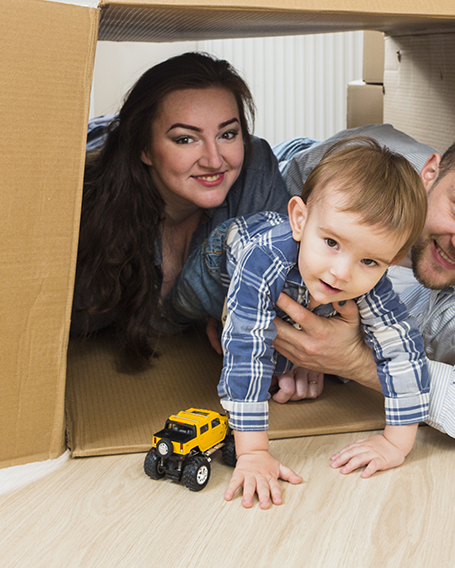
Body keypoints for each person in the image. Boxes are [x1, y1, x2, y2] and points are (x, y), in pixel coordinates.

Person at [268, 119, 455, 466]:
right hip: (293, 151)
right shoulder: (367, 159)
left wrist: (357, 362)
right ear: (429, 172)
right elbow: (261, 202)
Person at [175, 138, 431, 509]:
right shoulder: (264, 259)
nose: (342, 272)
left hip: (291, 285)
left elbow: (403, 348)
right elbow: (248, 346)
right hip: (220, 263)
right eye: (331, 242)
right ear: (300, 219)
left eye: (371, 262)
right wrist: (252, 453)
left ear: (391, 261)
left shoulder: (366, 279)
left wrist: (396, 442)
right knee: (179, 313)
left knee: (293, 331)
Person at [70, 53, 291, 370]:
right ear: (144, 148)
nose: (214, 160)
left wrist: (299, 359)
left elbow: (293, 291)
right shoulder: (86, 207)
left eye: (228, 134)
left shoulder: (256, 170)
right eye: (186, 139)